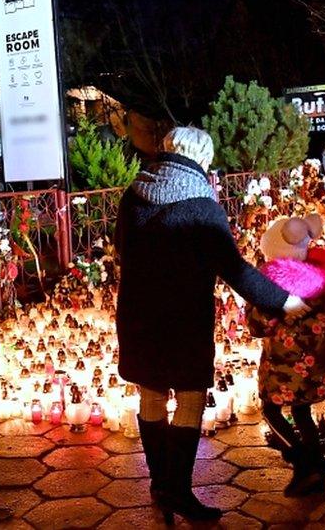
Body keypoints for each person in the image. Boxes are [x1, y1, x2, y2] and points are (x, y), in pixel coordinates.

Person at [115, 126, 309, 523]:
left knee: (150, 395)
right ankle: (179, 492)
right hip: (183, 319)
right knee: (188, 399)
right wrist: (282, 300)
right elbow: (234, 269)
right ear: (200, 159)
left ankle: (160, 483)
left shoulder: (133, 196)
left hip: (138, 315)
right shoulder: (202, 207)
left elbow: (121, 248)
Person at [249, 215, 325, 497]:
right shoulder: (320, 278)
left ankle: (304, 461)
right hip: (315, 362)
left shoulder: (273, 285)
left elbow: (258, 324)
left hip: (283, 365)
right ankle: (314, 471)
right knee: (302, 412)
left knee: (271, 410)